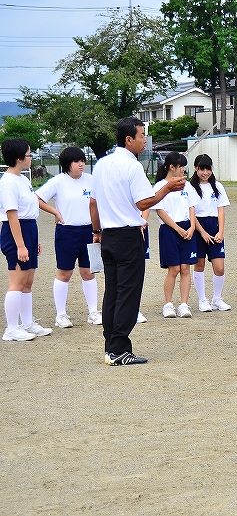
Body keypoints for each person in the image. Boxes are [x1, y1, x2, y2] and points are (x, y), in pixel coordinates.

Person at [90, 117, 185, 365]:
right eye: (142, 135)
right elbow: (143, 202)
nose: (145, 140)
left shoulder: (101, 165)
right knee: (128, 293)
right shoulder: (132, 166)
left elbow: (93, 202)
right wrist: (167, 188)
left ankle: (111, 345)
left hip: (109, 235)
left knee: (113, 291)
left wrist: (97, 230)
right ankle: (120, 348)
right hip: (128, 234)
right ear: (129, 139)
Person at [35, 147, 102, 328]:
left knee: (89, 272)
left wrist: (98, 229)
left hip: (89, 231)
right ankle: (61, 315)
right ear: (67, 164)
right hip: (67, 232)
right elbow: (38, 198)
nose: (81, 164)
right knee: (64, 273)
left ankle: (93, 312)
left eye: (82, 160)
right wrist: (55, 212)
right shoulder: (58, 181)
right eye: (76, 161)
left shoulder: (92, 180)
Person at [0, 138, 60, 341]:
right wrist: (21, 245)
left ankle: (27, 324)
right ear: (18, 158)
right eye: (28, 154)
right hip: (16, 231)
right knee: (16, 282)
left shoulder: (24, 180)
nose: (31, 157)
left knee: (28, 282)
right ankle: (11, 329)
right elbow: (12, 216)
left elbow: (32, 206)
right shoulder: (8, 182)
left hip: (29, 230)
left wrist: (34, 240)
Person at [153, 152, 198, 318]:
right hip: (169, 230)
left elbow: (192, 207)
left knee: (186, 268)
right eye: (181, 166)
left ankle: (184, 304)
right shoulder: (159, 187)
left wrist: (192, 226)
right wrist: (177, 229)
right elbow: (160, 211)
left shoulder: (187, 186)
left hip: (187, 229)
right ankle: (168, 304)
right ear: (172, 167)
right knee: (174, 269)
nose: (184, 170)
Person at [190, 154, 231, 312]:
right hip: (198, 227)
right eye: (202, 169)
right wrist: (202, 232)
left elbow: (221, 210)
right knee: (199, 265)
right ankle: (202, 300)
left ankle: (217, 299)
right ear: (195, 168)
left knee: (219, 267)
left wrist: (220, 231)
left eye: (208, 169)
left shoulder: (218, 186)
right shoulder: (191, 187)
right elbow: (191, 212)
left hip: (214, 226)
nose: (205, 172)